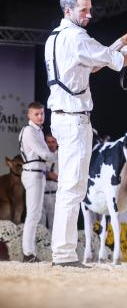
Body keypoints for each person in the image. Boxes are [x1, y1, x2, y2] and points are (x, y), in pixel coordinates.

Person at [45, 0, 127, 268]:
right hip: (73, 119)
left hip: (62, 118)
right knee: (73, 188)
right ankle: (63, 255)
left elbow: (94, 65)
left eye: (89, 8)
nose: (89, 14)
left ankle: (63, 251)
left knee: (70, 187)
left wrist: (121, 41)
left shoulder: (55, 37)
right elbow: (116, 63)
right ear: (68, 10)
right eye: (83, 10)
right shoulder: (77, 37)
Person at [19, 102, 58, 262]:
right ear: (29, 115)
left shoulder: (38, 132)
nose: (40, 116)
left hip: (38, 174)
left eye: (42, 113)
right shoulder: (29, 131)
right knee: (33, 215)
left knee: (34, 216)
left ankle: (30, 252)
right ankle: (27, 253)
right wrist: (62, 152)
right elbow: (45, 154)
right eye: (36, 114)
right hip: (33, 174)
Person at [41, 134, 59, 230]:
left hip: (54, 195)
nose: (50, 144)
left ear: (57, 143)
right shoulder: (41, 156)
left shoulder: (61, 157)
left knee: (54, 227)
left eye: (53, 142)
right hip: (41, 194)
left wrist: (44, 171)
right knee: (40, 227)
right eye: (48, 142)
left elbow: (58, 177)